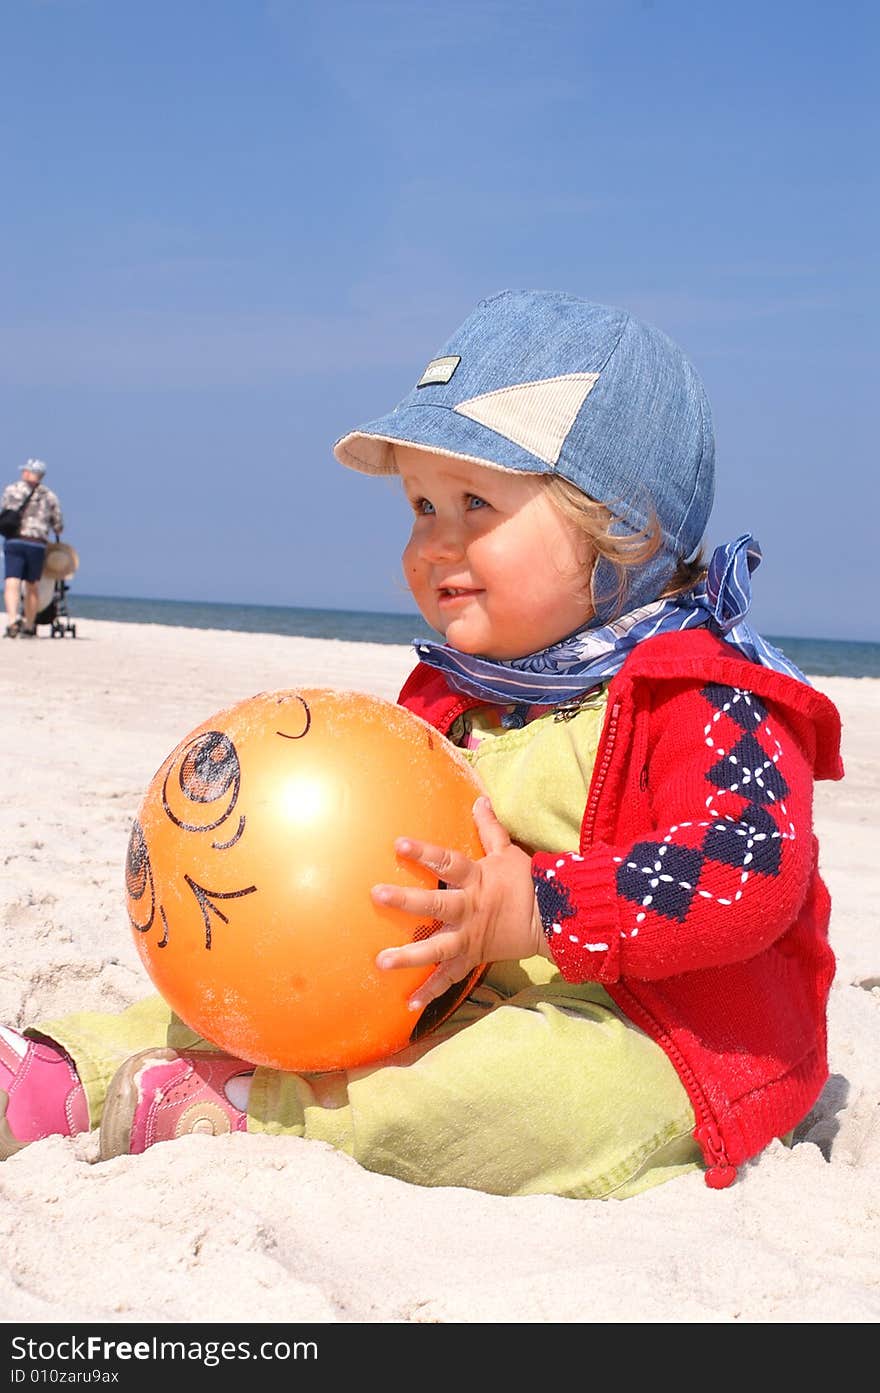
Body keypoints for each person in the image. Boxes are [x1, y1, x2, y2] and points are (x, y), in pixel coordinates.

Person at [0, 291, 844, 1199]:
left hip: (663, 1024)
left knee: (557, 1087)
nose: (431, 544)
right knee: (261, 998)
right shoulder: (457, 694)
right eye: (420, 505)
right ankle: (65, 1075)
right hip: (462, 983)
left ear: (621, 528)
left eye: (474, 502)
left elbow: (753, 868)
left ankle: (263, 1115)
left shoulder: (703, 691)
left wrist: (545, 907)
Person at [2, 457, 64, 638]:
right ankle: (29, 624)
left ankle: (13, 620)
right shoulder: (50, 496)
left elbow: (5, 510)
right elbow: (58, 525)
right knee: (32, 585)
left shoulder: (12, 490)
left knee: (11, 581)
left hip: (15, 540)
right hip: (37, 544)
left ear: (27, 472)